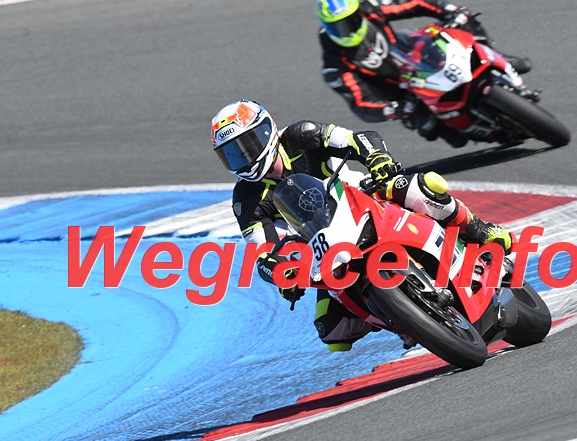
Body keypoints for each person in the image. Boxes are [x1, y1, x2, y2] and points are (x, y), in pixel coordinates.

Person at [211, 99, 513, 352]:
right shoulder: (246, 199)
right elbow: (263, 250)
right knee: (331, 332)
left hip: (364, 197)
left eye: (248, 145)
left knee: (418, 187)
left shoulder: (302, 134)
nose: (244, 157)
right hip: (323, 243)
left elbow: (358, 138)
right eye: (232, 154)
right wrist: (281, 272)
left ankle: (478, 230)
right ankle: (405, 319)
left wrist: (377, 159)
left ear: (267, 130)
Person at [317, 0, 531, 146]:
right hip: (403, 94)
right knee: (439, 131)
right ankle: (489, 131)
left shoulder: (371, 8)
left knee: (460, 22)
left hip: (411, 55)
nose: (346, 30)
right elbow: (360, 103)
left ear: (359, 13)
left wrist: (448, 10)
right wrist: (393, 109)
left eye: (350, 21)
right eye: (337, 27)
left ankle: (496, 56)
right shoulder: (334, 64)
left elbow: (416, 4)